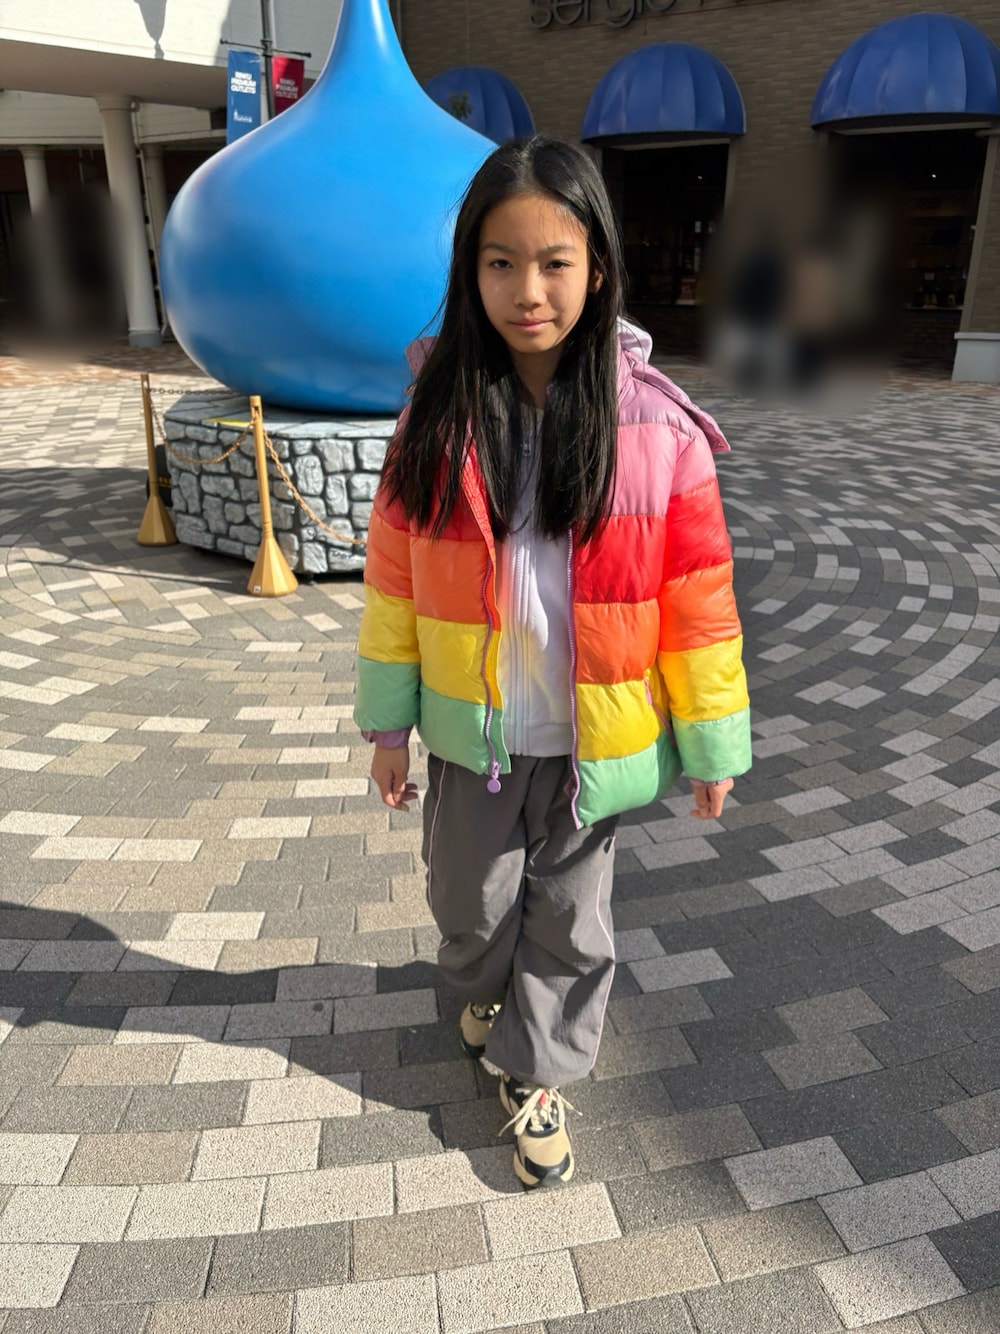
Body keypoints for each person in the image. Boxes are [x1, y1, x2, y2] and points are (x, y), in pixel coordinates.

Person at [354, 136, 751, 1189]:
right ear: (469, 270)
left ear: (598, 267)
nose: (527, 290)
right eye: (500, 262)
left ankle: (538, 1070)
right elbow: (392, 585)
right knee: (469, 907)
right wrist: (388, 726)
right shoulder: (433, 417)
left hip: (591, 741)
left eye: (553, 262)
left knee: (573, 924)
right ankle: (485, 990)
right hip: (472, 738)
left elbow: (699, 603)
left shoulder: (658, 430)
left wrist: (711, 744)